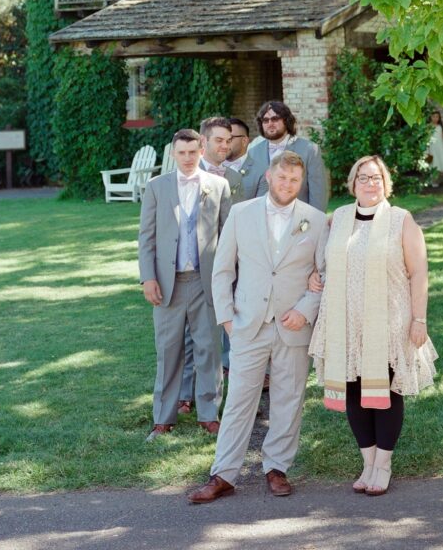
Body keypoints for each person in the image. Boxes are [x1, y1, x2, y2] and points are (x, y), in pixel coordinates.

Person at [187, 150, 328, 503]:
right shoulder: (240, 213)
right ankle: (223, 473)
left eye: (295, 180)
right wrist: (227, 319)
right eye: (283, 177)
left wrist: (306, 310)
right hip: (248, 325)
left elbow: (324, 274)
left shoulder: (316, 219)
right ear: (269, 176)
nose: (288, 185)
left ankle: (276, 468)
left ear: (301, 182)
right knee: (238, 401)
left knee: (289, 399)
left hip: (293, 326)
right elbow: (222, 271)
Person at [308, 154, 437, 496]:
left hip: (390, 320)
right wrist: (312, 275)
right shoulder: (337, 220)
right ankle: (367, 462)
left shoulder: (400, 220)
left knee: (385, 392)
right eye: (363, 178)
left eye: (376, 178)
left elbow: (419, 271)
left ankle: (384, 463)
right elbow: (318, 260)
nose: (370, 183)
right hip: (345, 321)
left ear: (386, 183)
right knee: (354, 389)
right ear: (352, 183)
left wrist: (419, 319)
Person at [138, 128, 231, 442]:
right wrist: (148, 277)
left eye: (193, 152)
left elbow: (228, 237)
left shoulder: (218, 186)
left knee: (209, 349)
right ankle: (163, 418)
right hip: (168, 283)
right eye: (182, 153)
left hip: (205, 282)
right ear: (173, 153)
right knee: (168, 351)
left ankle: (209, 414)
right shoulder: (156, 187)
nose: (188, 158)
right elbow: (146, 238)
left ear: (201, 150)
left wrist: (227, 282)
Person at [178, 117, 247, 412]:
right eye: (219, 140)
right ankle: (184, 395)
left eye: (229, 140)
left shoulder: (234, 178)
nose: (225, 145)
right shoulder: (185, 175)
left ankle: (226, 396)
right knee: (187, 336)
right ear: (203, 143)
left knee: (224, 333)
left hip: (226, 266)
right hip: (189, 270)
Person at [248, 100, 328, 211]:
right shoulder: (253, 152)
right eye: (265, 120)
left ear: (286, 121)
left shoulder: (309, 150)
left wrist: (315, 221)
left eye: (275, 119)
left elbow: (318, 193)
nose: (270, 124)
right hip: (261, 219)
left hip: (297, 218)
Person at [223, 117, 268, 200]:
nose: (224, 143)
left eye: (229, 138)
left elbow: (260, 207)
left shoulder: (262, 172)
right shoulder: (209, 167)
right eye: (221, 139)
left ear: (244, 141)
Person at [426, 110, 443, 177]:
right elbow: (426, 136)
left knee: (440, 161)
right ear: (430, 117)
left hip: (440, 146)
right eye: (433, 116)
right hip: (432, 146)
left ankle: (436, 178)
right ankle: (432, 178)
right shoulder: (428, 126)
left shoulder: (440, 126)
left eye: (437, 117)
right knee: (432, 161)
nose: (435, 118)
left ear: (439, 118)